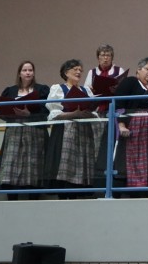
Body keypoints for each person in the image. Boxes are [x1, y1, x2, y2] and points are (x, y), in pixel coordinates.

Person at [101, 57, 148, 198]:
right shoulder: (131, 82)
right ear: (138, 70)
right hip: (135, 127)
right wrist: (121, 124)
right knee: (135, 159)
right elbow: (119, 104)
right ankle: (136, 187)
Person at [44, 59, 98, 199]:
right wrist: (73, 114)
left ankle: (79, 193)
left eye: (80, 70)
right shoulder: (58, 88)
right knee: (65, 164)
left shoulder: (86, 90)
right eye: (75, 69)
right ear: (66, 72)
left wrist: (88, 113)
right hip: (65, 131)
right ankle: (64, 194)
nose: (79, 72)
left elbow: (94, 110)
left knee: (82, 163)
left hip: (83, 131)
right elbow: (53, 113)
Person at [0, 61, 50, 200]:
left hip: (35, 132)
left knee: (34, 165)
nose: (28, 72)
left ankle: (34, 199)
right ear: (19, 73)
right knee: (11, 166)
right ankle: (11, 200)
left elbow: (46, 112)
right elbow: (1, 113)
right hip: (14, 132)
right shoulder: (10, 91)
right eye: (25, 70)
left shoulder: (41, 90)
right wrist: (12, 113)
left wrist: (29, 114)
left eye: (30, 70)